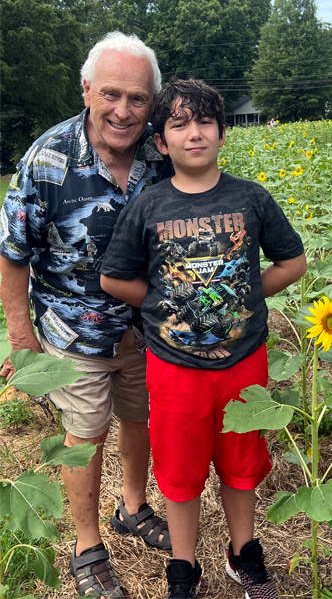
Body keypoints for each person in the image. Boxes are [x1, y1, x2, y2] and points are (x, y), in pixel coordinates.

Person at [100, 78, 307, 599]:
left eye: (205, 122)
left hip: (244, 362)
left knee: (240, 464)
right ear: (161, 142)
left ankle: (244, 555)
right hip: (174, 369)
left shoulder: (251, 197)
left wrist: (246, 296)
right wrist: (164, 303)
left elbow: (293, 262)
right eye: (179, 124)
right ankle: (183, 568)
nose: (194, 133)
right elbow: (113, 277)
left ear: (220, 132)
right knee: (180, 470)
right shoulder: (148, 207)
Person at [0, 32, 173, 598]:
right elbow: (13, 252)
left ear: (153, 101)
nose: (124, 111)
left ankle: (134, 505)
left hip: (145, 329)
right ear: (87, 90)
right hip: (74, 332)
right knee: (85, 435)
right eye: (112, 95)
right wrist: (21, 335)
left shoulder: (161, 150)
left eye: (138, 99)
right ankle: (87, 544)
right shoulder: (47, 159)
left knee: (138, 418)